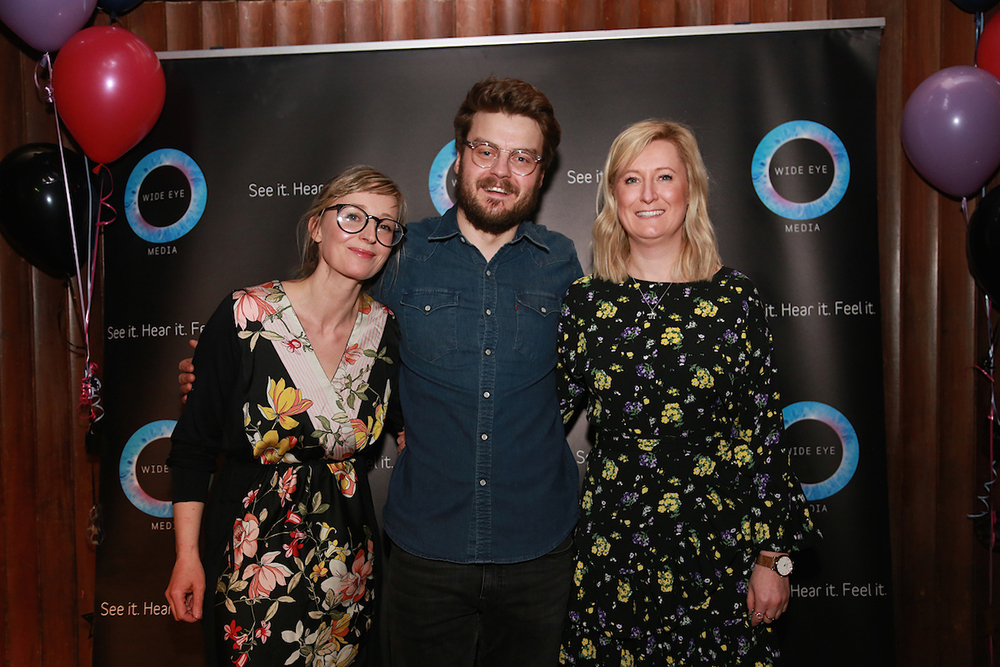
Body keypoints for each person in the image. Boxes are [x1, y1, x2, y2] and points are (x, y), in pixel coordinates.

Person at [177, 77, 584, 667]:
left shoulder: (562, 261)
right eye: (486, 150)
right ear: (460, 158)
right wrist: (219, 371)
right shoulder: (400, 253)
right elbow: (314, 331)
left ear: (541, 173)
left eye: (522, 157)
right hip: (424, 550)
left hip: (538, 545)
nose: (501, 171)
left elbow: (582, 375)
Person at [555, 120, 817, 666]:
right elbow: (542, 416)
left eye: (664, 177)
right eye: (631, 179)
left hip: (718, 547)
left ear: (690, 189)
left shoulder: (736, 299)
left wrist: (774, 558)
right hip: (614, 545)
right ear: (613, 196)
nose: (648, 194)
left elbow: (763, 433)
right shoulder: (586, 301)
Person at [165, 166, 407, 667]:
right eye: (353, 216)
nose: (369, 234)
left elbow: (413, 422)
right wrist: (186, 555)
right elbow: (192, 447)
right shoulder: (246, 316)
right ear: (317, 226)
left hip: (347, 565)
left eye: (385, 225)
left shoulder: (386, 332)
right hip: (250, 556)